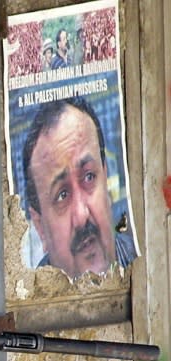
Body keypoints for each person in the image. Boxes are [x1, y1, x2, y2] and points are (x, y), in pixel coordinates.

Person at [21, 96, 137, 279]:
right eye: (62, 194)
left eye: (89, 177)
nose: (82, 216)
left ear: (105, 179)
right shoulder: (30, 299)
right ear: (40, 226)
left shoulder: (148, 261)